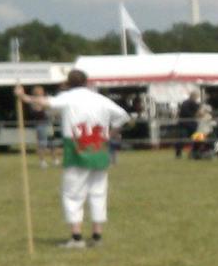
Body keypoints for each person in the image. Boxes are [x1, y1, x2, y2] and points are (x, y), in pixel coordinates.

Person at [15, 71, 131, 247]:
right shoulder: (100, 99)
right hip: (99, 150)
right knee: (98, 192)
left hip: (76, 150)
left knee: (72, 194)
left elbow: (43, 102)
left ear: (69, 83)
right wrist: (109, 133)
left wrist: (23, 96)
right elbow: (123, 116)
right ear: (86, 82)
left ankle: (76, 237)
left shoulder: (68, 97)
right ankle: (96, 235)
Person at [31, 86, 54, 167]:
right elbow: (38, 110)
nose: (42, 92)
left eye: (42, 91)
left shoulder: (44, 99)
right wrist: (45, 105)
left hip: (48, 123)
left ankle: (54, 159)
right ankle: (42, 161)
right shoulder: (34, 101)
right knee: (42, 143)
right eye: (40, 91)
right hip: (40, 124)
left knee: (51, 143)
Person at [174, 90, 199, 158]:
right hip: (190, 124)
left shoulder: (184, 102)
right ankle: (195, 152)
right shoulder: (193, 103)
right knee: (196, 138)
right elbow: (198, 113)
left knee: (182, 139)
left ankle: (178, 153)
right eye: (197, 96)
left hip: (182, 123)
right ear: (194, 96)